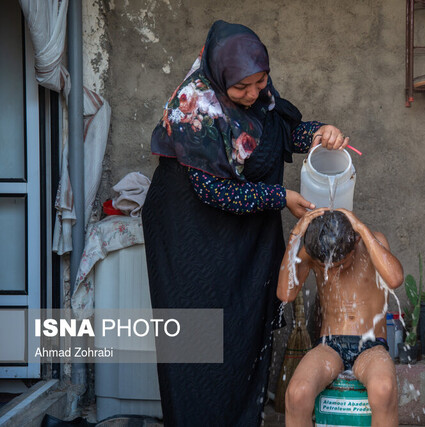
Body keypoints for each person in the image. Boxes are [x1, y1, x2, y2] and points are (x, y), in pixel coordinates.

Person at [142, 20, 349, 426]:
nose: (254, 93)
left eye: (261, 81)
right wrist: (279, 197)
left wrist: (320, 134)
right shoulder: (194, 110)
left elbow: (281, 133)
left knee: (241, 334)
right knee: (198, 346)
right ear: (220, 76)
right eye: (243, 87)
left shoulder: (257, 96)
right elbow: (214, 192)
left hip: (244, 238)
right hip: (190, 239)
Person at [277, 208, 404, 427]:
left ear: (354, 242)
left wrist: (361, 229)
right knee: (297, 393)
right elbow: (285, 294)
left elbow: (395, 279)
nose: (335, 269)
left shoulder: (370, 240)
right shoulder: (314, 252)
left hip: (370, 346)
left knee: (384, 389)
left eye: (341, 263)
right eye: (329, 266)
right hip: (329, 345)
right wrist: (294, 237)